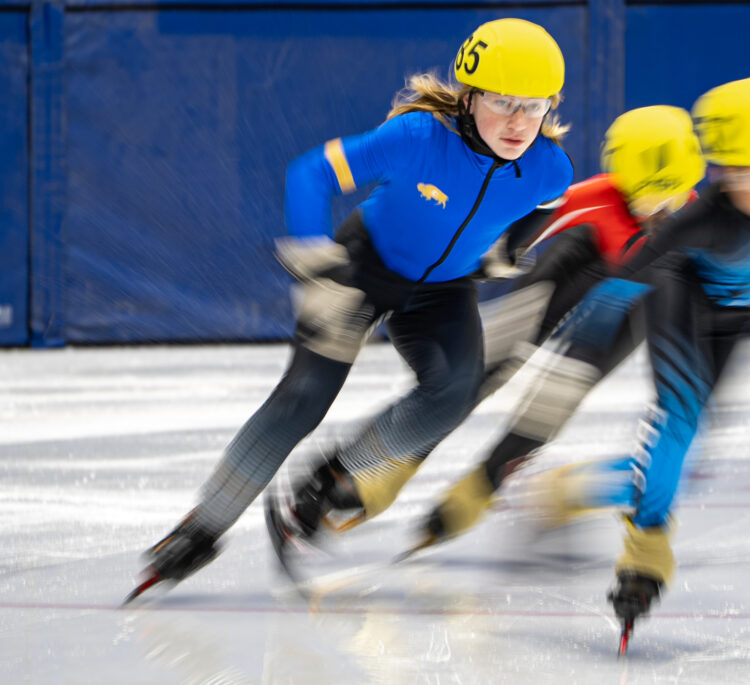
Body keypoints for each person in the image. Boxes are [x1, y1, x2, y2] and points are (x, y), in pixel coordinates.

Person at [416, 75, 750, 640]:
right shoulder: (701, 221)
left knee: (684, 466)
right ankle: (645, 553)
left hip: (738, 318)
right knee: (676, 421)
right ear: (725, 175)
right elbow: (628, 277)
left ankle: (567, 491)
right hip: (681, 296)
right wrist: (573, 342)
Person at [129, 18, 574, 599]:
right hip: (362, 270)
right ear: (468, 96)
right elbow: (310, 173)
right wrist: (317, 265)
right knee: (302, 400)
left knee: (455, 392)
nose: (520, 122)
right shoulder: (417, 137)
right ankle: (204, 524)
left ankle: (331, 479)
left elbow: (550, 201)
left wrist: (507, 249)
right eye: (503, 102)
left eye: (534, 106)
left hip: (444, 290)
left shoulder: (548, 166)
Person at [414, 105, 706, 545]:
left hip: (631, 301)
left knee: (562, 390)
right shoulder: (595, 198)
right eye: (646, 201)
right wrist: (486, 257)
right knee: (492, 355)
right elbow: (514, 225)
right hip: (579, 260)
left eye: (673, 200)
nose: (659, 217)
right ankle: (398, 451)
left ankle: (483, 483)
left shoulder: (706, 226)